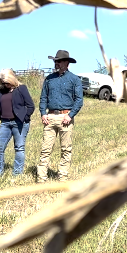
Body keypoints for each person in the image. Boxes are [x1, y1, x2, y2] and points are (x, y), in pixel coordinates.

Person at [37, 49, 83, 182]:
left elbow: (79, 100)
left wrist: (70, 115)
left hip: (66, 117)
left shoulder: (74, 79)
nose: (56, 63)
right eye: (55, 61)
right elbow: (43, 98)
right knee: (45, 149)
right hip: (50, 117)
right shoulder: (49, 79)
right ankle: (41, 178)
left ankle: (62, 177)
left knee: (66, 149)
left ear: (66, 63)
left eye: (58, 61)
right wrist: (42, 113)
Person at [0, 68, 35, 176]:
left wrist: (25, 118)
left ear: (12, 79)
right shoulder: (0, 90)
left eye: (7, 82)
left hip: (20, 123)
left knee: (19, 148)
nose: (5, 85)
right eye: (3, 83)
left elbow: (30, 106)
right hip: (5, 123)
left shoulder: (21, 88)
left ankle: (17, 173)